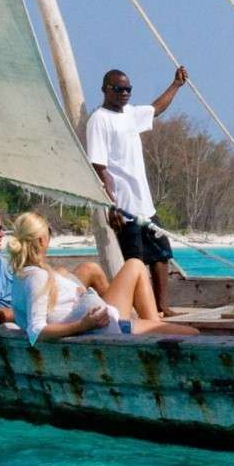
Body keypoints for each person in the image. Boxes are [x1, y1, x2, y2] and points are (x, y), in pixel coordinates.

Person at [3, 212, 197, 343]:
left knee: (135, 264)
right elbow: (36, 332)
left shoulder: (26, 273)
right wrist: (83, 325)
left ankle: (156, 327)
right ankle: (155, 332)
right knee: (193, 335)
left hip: (106, 322)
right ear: (41, 240)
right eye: (49, 234)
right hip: (106, 330)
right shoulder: (36, 278)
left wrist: (76, 292)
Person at [85, 65, 187, 312]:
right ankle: (146, 312)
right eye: (118, 89)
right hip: (125, 206)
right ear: (105, 90)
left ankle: (162, 307)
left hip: (145, 205)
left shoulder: (129, 114)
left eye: (128, 89)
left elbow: (157, 109)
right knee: (135, 262)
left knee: (162, 255)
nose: (124, 93)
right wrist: (112, 205)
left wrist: (176, 84)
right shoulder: (99, 120)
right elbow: (99, 167)